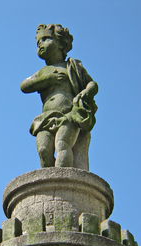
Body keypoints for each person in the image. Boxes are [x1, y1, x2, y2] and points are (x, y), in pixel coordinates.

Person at [21, 24, 98, 170]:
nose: (40, 44)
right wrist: (48, 79)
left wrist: (86, 92)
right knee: (43, 150)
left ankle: (64, 181)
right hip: (46, 118)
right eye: (38, 42)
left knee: (62, 144)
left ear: (61, 43)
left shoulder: (72, 66)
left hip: (69, 115)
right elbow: (24, 86)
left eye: (45, 39)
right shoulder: (44, 71)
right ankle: (49, 183)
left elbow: (92, 84)